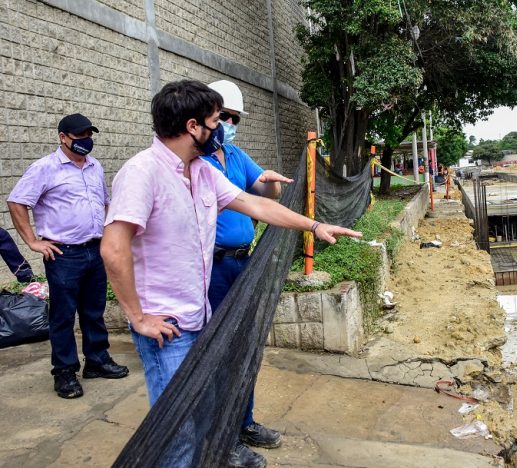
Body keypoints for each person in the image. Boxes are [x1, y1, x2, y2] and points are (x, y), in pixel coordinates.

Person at [100, 80, 361, 468]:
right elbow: (113, 247)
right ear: (193, 127)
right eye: (214, 120)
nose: (220, 127)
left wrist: (313, 226)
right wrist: (137, 317)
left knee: (202, 415)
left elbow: (255, 204)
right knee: (178, 430)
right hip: (167, 328)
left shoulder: (201, 172)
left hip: (200, 313)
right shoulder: (142, 173)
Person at [7, 113, 129, 400]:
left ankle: (97, 361)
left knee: (93, 311)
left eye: (89, 135)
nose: (86, 141)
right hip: (64, 254)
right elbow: (16, 201)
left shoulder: (94, 166)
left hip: (94, 249)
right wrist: (33, 241)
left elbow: (105, 204)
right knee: (63, 316)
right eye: (79, 136)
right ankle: (64, 372)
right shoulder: (45, 168)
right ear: (63, 137)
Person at [203, 80, 290, 453]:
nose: (229, 123)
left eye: (234, 117)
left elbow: (267, 196)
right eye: (224, 116)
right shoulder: (195, 162)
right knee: (216, 349)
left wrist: (270, 184)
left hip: (243, 263)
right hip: (212, 267)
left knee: (245, 345)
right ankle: (220, 433)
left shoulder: (236, 155)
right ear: (207, 117)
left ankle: (244, 422)